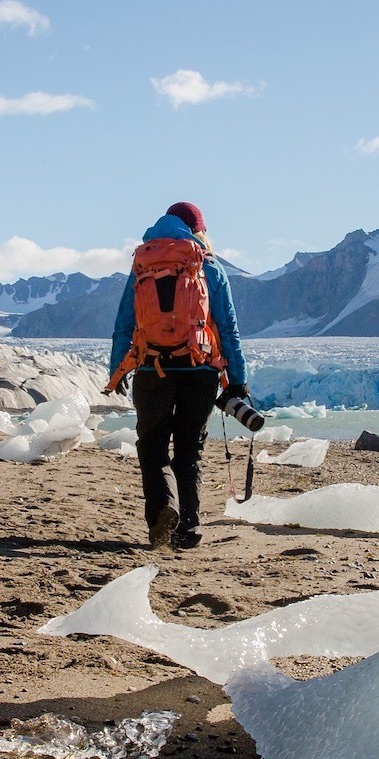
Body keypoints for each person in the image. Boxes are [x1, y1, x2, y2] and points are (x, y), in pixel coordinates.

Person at [107, 202, 247, 550]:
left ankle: (162, 508)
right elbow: (228, 329)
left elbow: (124, 322)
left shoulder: (143, 262)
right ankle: (189, 528)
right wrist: (237, 379)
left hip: (151, 367)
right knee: (189, 448)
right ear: (198, 229)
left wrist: (118, 369)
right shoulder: (209, 266)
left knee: (152, 444)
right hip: (200, 370)